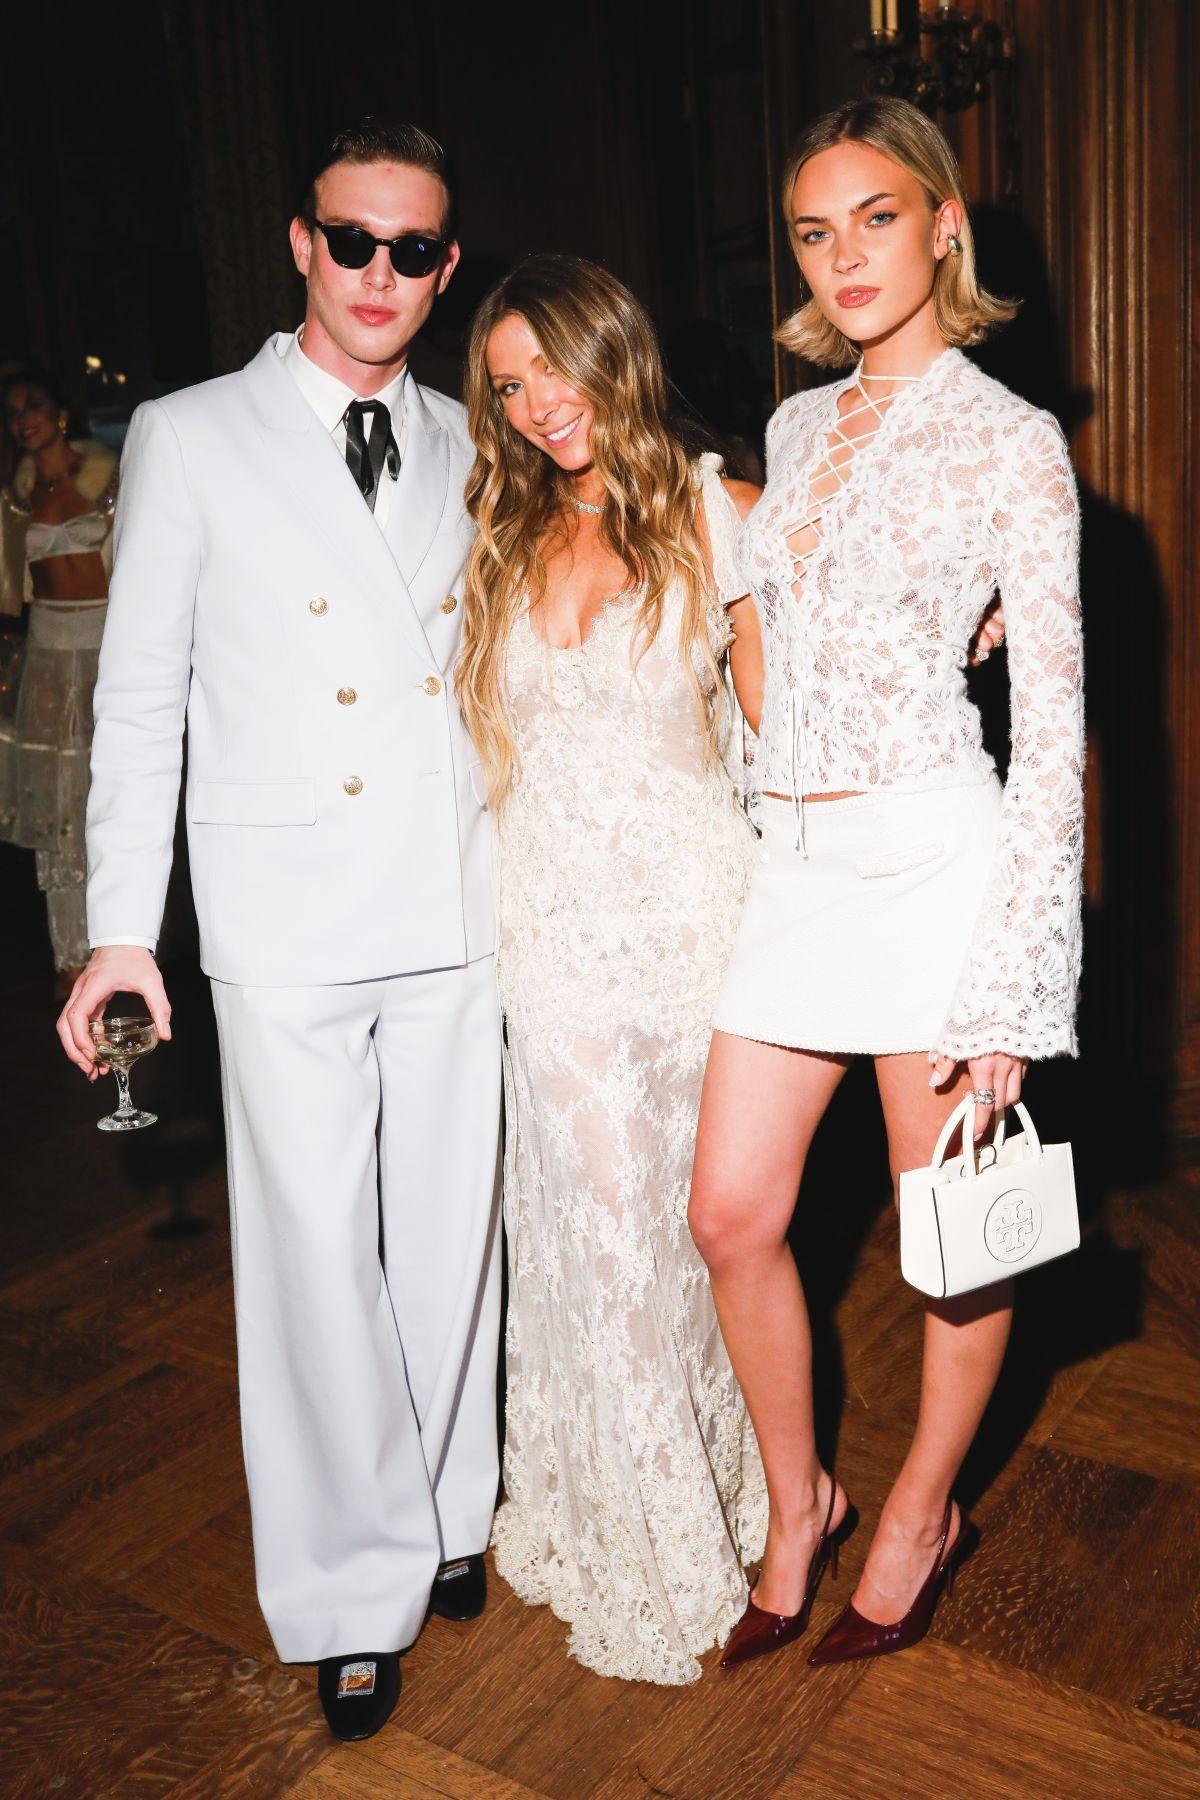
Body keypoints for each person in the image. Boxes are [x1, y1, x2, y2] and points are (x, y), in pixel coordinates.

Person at [56, 120, 501, 1743]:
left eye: (412, 249)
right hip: (284, 907)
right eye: (352, 240)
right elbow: (138, 700)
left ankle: (448, 1503)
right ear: (302, 245)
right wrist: (120, 930)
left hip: (458, 889)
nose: (380, 273)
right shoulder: (191, 435)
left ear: (444, 270)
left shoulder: (476, 434)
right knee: (314, 1254)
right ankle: (342, 1589)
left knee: (453, 1231)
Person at [688, 96, 1083, 1669]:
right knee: (729, 1214)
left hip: (934, 865)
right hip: (798, 867)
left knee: (952, 1240)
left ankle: (921, 1510)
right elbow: (775, 659)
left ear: (942, 224)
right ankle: (802, 1503)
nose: (843, 256)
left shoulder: (1013, 442)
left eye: (875, 217)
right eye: (813, 230)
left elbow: (1054, 740)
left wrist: (1013, 986)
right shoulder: (793, 431)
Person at [457, 252, 768, 1683]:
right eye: (508, 385)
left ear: (615, 351)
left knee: (698, 1244)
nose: (536, 405)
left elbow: (801, 727)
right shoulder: (497, 532)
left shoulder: (722, 511)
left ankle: (729, 1487)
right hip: (556, 944)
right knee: (601, 1239)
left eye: (552, 367)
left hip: (701, 937)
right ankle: (653, 1545)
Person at [0, 368, 118, 989]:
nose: (24, 418)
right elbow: (11, 585)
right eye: (14, 411)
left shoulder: (109, 477)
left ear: (60, 411)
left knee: (115, 797)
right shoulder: (17, 496)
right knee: (59, 811)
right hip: (47, 650)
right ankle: (71, 956)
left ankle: (126, 945)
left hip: (107, 646)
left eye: (34, 405)